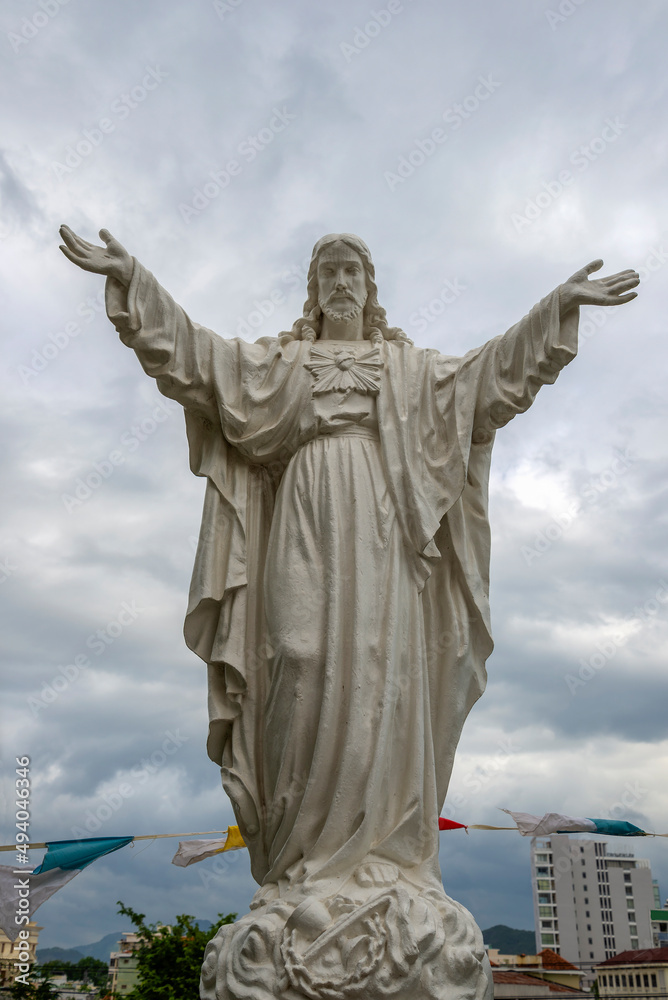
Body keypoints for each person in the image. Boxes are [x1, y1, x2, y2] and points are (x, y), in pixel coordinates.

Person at [59, 226, 639, 998]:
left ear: (370, 287)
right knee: (296, 661)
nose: (340, 281)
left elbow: (490, 378)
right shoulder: (280, 364)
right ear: (313, 287)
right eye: (327, 269)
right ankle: (303, 860)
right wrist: (135, 282)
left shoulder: (408, 369)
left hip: (383, 530)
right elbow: (198, 362)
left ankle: (386, 860)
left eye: (352, 269)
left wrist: (556, 307)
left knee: (379, 677)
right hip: (302, 508)